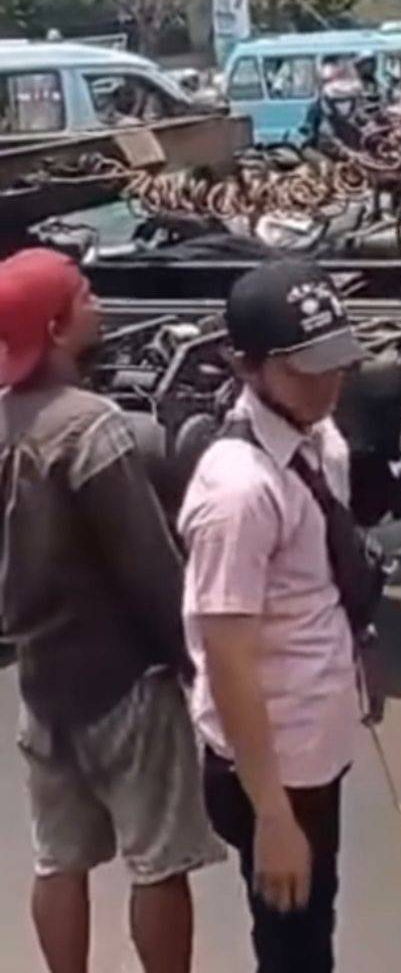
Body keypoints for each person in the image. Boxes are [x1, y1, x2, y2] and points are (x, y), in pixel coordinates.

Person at [0, 248, 223, 973]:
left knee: (57, 858)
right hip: (125, 680)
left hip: (43, 682)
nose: (98, 303)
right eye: (85, 295)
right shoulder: (92, 428)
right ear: (58, 329)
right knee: (159, 862)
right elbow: (148, 565)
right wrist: (197, 668)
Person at [179, 260, 374, 973]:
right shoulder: (238, 491)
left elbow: (323, 583)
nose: (328, 385)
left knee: (311, 931)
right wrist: (273, 818)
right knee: (292, 952)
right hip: (274, 772)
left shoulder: (319, 439)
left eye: (336, 366)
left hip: (314, 747)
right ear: (245, 365)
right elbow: (225, 656)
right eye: (305, 371)